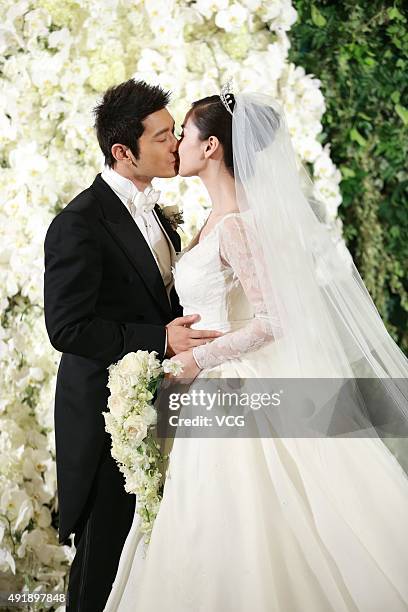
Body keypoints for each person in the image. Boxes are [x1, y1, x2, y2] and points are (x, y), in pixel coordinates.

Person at [104, 88, 408, 611]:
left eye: (185, 135)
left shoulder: (237, 224)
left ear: (213, 146)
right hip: (208, 388)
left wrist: (197, 358)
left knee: (240, 514)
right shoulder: (212, 220)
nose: (177, 144)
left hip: (231, 385)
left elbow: (272, 320)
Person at [43, 79, 223, 612]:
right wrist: (159, 339)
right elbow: (67, 328)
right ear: (124, 151)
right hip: (105, 420)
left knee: (141, 561)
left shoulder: (154, 211)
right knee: (102, 563)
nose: (177, 144)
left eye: (175, 133)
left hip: (157, 408)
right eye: (164, 136)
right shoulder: (78, 224)